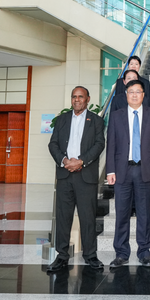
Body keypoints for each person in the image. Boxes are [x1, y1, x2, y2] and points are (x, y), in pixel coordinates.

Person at [106, 79, 150, 268]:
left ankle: (144, 252)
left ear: (143, 95)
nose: (134, 95)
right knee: (121, 213)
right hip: (122, 170)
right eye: (131, 91)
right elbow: (111, 144)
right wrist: (110, 170)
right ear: (126, 95)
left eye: (138, 91)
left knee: (144, 213)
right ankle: (121, 252)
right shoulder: (116, 116)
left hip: (144, 169)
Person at [47, 86, 106, 272]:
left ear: (88, 99)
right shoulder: (62, 119)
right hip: (65, 175)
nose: (77, 100)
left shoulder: (96, 120)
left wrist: (81, 161)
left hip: (85, 175)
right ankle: (62, 255)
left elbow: (99, 144)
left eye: (81, 96)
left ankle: (90, 255)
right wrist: (65, 161)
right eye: (74, 96)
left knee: (87, 217)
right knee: (63, 217)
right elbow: (53, 144)